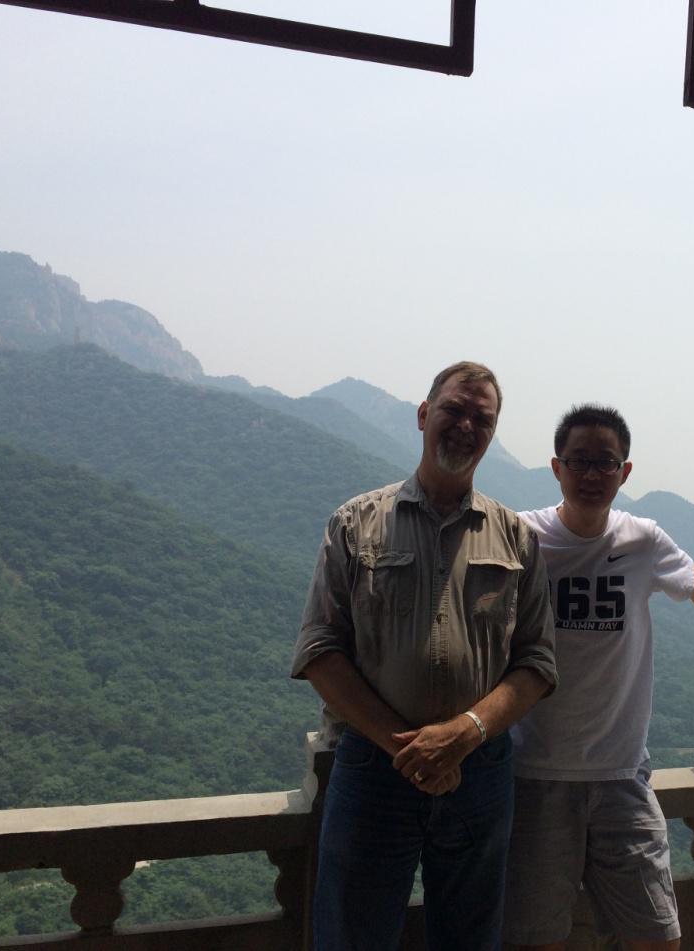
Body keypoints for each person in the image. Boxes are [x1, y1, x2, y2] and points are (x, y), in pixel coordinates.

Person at [291, 361, 557, 951]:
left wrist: (464, 733)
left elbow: (537, 662)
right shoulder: (355, 524)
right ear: (422, 415)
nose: (465, 426)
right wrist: (408, 749)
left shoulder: (516, 539)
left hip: (479, 771)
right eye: (453, 410)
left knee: (470, 939)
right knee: (353, 936)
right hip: (374, 769)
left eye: (481, 420)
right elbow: (320, 650)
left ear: (492, 435)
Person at [504, 404, 694, 951]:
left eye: (605, 462)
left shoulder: (642, 539)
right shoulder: (522, 536)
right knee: (537, 940)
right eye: (579, 461)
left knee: (657, 937)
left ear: (625, 472)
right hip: (535, 772)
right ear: (556, 467)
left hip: (621, 775)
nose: (591, 474)